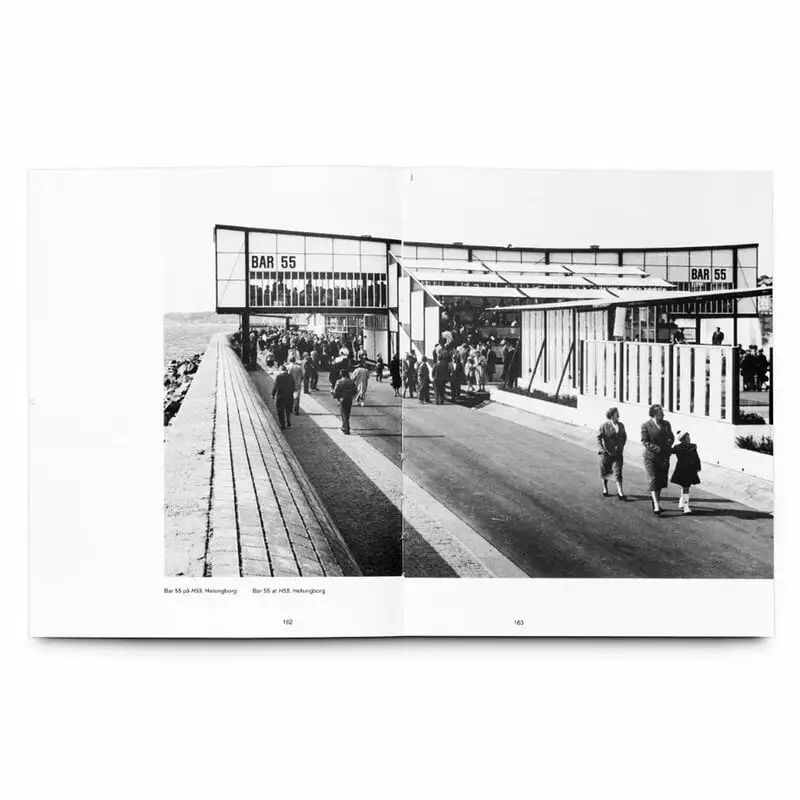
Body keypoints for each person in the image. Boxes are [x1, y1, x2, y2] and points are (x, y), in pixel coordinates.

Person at [641, 403, 675, 514]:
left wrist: (668, 444)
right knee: (653, 479)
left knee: (660, 481)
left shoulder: (666, 424)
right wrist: (657, 448)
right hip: (651, 457)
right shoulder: (646, 425)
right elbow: (645, 441)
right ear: (655, 414)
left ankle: (656, 501)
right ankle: (656, 504)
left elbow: (671, 437)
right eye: (661, 412)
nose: (663, 414)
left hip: (664, 457)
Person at [597, 407, 627, 500]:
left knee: (618, 472)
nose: (618, 415)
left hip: (618, 453)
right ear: (611, 415)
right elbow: (598, 438)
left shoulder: (621, 425)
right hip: (607, 453)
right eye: (616, 413)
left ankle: (620, 492)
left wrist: (621, 446)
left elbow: (624, 437)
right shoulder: (604, 426)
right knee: (605, 471)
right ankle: (605, 488)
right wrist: (601, 449)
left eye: (618, 413)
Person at [670, 431, 702, 515]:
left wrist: (698, 467)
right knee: (686, 487)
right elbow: (669, 451)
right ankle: (686, 506)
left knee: (686, 486)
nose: (689, 439)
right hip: (682, 470)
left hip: (691, 469)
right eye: (687, 438)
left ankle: (682, 501)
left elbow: (696, 457)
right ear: (682, 439)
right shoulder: (678, 447)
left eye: (689, 437)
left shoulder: (693, 446)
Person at [332, 369, 357, 434]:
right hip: (349, 398)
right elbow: (355, 390)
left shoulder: (339, 381)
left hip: (342, 399)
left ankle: (346, 428)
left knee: (343, 414)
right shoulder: (351, 381)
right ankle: (344, 426)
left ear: (341, 374)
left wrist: (334, 394)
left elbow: (336, 391)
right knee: (347, 413)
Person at [271, 365, 295, 430]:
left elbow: (275, 387)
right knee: (288, 409)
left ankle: (282, 424)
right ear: (286, 370)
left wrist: (273, 394)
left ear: (280, 370)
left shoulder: (278, 377)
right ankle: (288, 421)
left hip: (280, 396)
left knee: (280, 410)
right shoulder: (290, 376)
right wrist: (291, 393)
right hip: (289, 396)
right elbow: (293, 386)